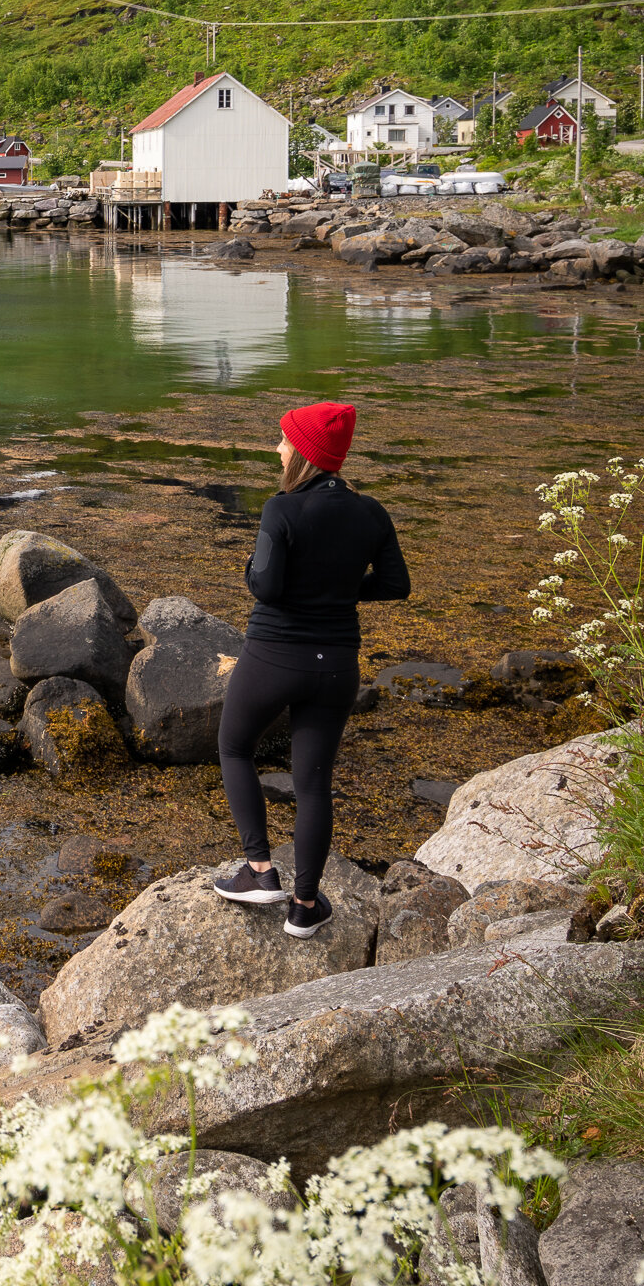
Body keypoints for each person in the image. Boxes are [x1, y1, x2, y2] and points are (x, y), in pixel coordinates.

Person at [213, 400, 409, 938]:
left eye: (282, 440)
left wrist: (254, 572)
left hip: (275, 655)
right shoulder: (371, 512)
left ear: (303, 452)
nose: (276, 447)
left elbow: (267, 586)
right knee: (313, 786)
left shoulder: (282, 509)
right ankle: (304, 906)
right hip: (337, 664)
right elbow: (396, 585)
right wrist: (339, 590)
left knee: (234, 747)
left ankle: (258, 871)